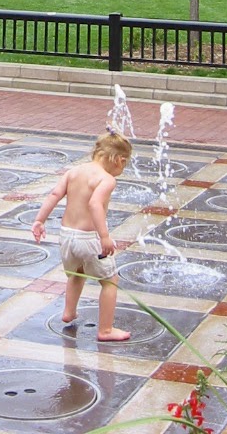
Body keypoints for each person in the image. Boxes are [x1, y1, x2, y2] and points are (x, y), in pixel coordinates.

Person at [31, 130, 132, 341]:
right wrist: (104, 236)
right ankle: (106, 330)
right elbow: (95, 204)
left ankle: (69, 312)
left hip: (66, 235)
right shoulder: (106, 179)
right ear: (119, 160)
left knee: (76, 272)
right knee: (110, 281)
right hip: (89, 238)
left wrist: (39, 220)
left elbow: (54, 195)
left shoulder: (73, 172)